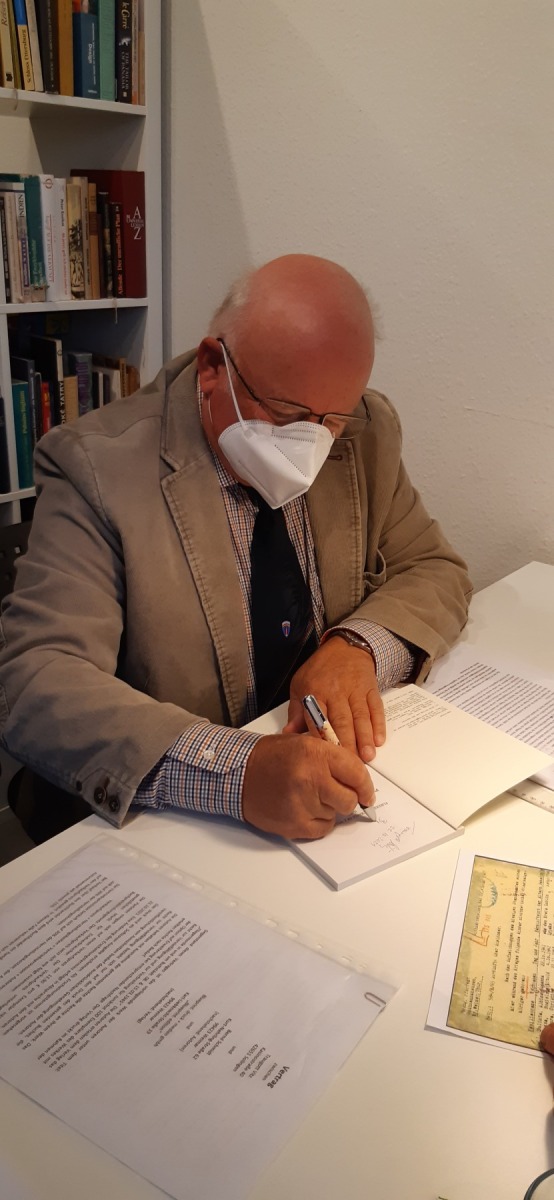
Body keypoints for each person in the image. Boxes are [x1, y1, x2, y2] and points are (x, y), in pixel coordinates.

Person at [0, 254, 472, 843]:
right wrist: (236, 772)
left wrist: (356, 648)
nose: (308, 443)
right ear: (211, 368)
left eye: (330, 421)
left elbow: (433, 567)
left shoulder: (367, 432)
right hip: (157, 826)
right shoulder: (96, 468)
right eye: (285, 413)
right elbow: (37, 680)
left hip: (314, 791)